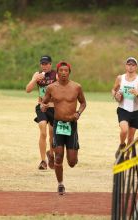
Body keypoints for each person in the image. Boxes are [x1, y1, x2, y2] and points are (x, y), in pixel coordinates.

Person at [41, 61, 86, 195]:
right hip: (58, 125)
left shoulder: (77, 87)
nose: (63, 73)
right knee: (59, 157)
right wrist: (43, 106)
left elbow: (83, 102)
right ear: (57, 72)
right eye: (61, 70)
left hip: (71, 125)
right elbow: (44, 102)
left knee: (72, 162)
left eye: (66, 70)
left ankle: (69, 155)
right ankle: (60, 184)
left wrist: (78, 113)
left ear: (69, 72)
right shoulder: (51, 88)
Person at [26, 55, 57, 170]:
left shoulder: (56, 75)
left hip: (53, 108)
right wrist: (35, 80)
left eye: (46, 64)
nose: (44, 66)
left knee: (52, 134)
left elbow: (62, 90)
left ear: (50, 64)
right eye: (42, 64)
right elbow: (28, 90)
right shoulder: (37, 74)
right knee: (43, 130)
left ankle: (51, 154)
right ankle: (43, 161)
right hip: (41, 107)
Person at [112, 57, 138, 159]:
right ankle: (121, 145)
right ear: (125, 66)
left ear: (136, 67)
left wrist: (137, 94)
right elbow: (113, 90)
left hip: (135, 111)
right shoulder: (120, 78)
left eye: (133, 65)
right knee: (124, 130)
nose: (130, 66)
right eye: (129, 64)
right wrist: (116, 96)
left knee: (131, 137)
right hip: (123, 109)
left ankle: (127, 156)